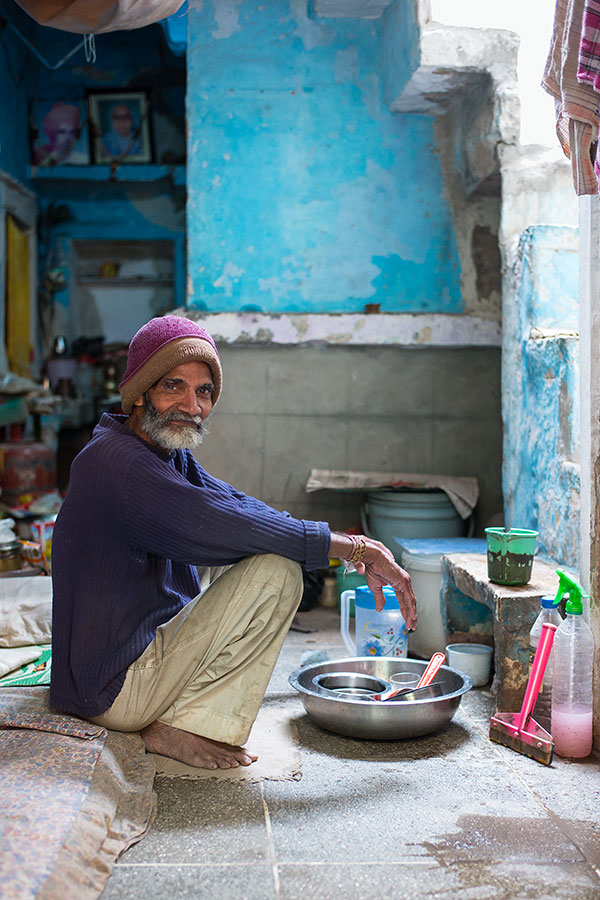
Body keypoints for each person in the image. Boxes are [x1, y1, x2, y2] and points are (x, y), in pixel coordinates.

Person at [50, 316, 417, 771]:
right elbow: (221, 524)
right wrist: (357, 549)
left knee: (261, 547)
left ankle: (177, 715)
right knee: (276, 571)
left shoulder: (162, 453)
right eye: (174, 386)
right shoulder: (117, 462)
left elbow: (242, 509)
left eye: (203, 391)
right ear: (140, 392)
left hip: (133, 663)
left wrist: (345, 543)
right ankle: (184, 724)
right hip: (113, 689)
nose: (192, 405)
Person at [34, 101, 84, 166]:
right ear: (52, 133)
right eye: (62, 132)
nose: (67, 138)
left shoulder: (82, 160)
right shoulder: (44, 163)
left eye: (71, 132)